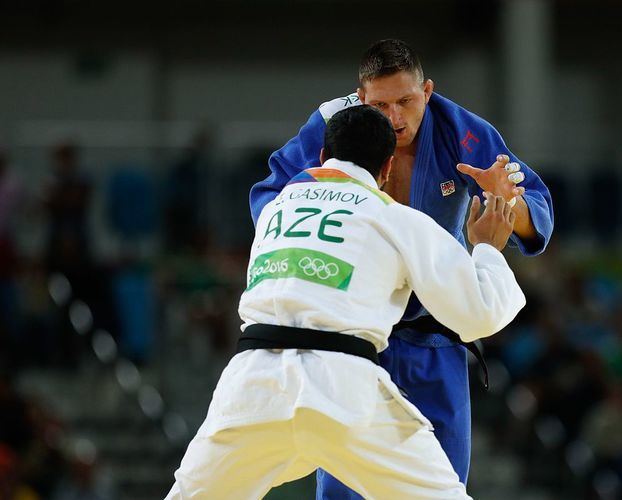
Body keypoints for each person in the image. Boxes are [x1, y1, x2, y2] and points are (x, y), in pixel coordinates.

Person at [167, 106, 525, 499]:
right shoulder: (393, 217)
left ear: (323, 156)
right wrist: (488, 248)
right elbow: (480, 314)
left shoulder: (275, 210)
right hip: (344, 392)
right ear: (387, 169)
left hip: (251, 389)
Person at [250, 39, 554, 496]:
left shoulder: (464, 132)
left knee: (443, 484)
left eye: (406, 101)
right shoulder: (335, 125)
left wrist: (509, 199)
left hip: (433, 334)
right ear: (360, 96)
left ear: (427, 92)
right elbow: (273, 200)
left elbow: (538, 214)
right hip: (352, 335)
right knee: (344, 487)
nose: (394, 118)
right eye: (381, 105)